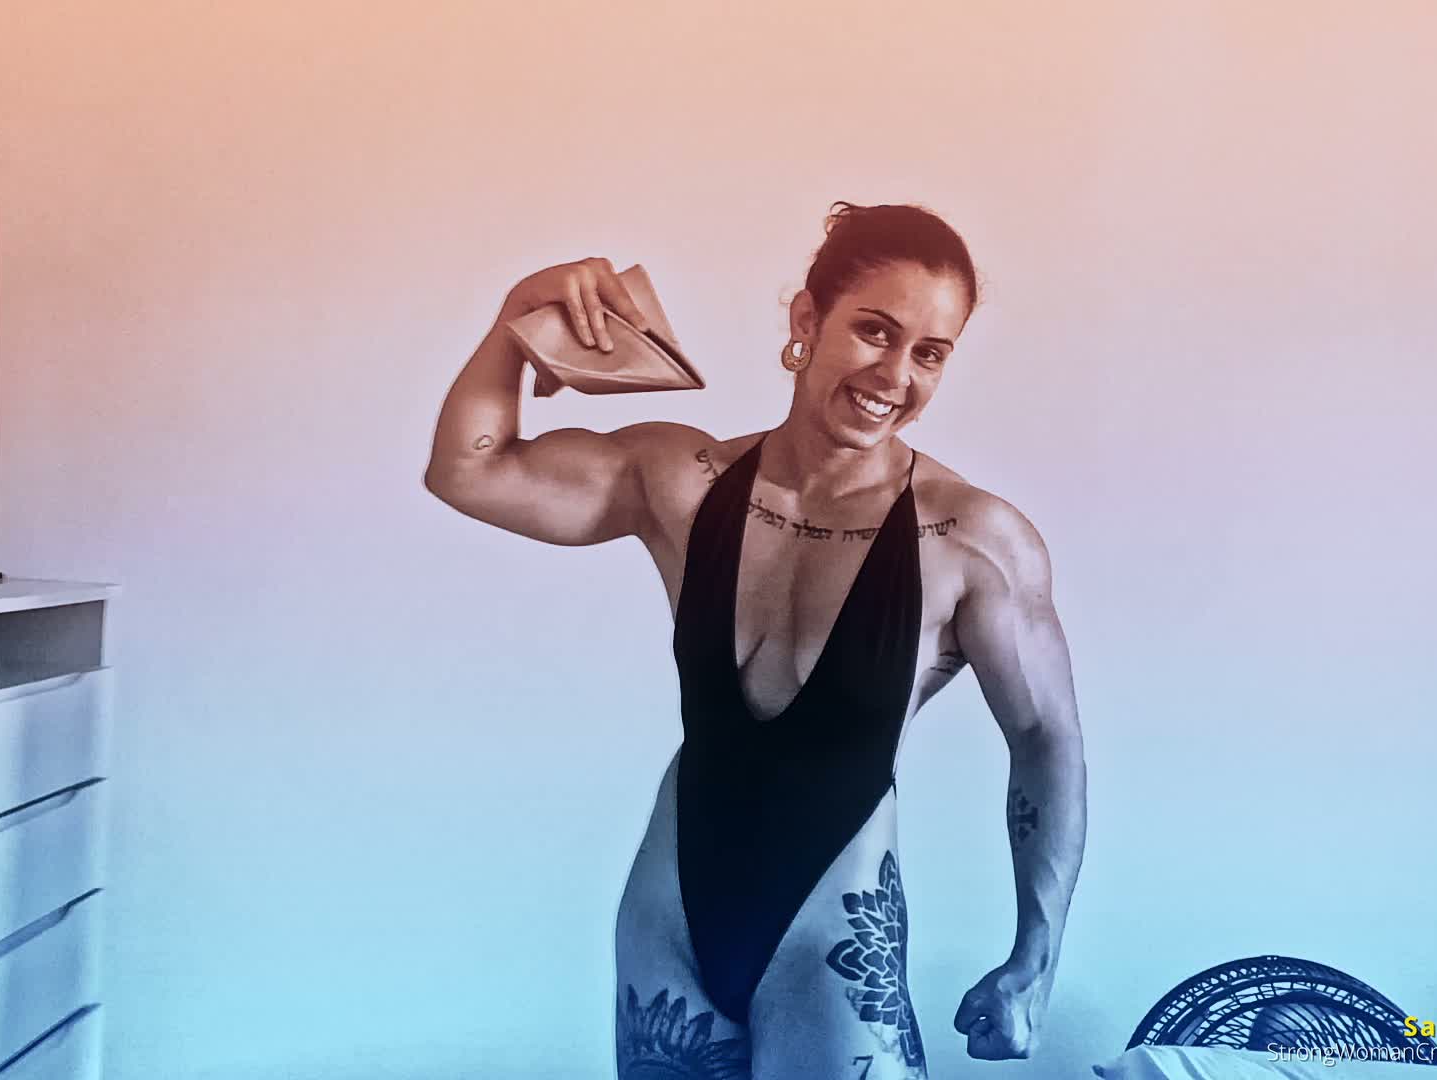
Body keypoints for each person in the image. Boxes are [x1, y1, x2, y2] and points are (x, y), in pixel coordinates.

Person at [423, 202, 1087, 1079]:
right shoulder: (685, 482)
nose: (896, 375)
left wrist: (1035, 957)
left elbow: (1044, 737)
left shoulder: (972, 541)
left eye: (929, 353)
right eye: (875, 332)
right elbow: (468, 470)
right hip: (670, 919)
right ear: (807, 320)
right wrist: (520, 315)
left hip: (831, 936)